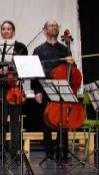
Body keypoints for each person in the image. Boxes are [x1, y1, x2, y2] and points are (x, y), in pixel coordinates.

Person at [31, 20, 74, 161]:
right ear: (45, 30)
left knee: (63, 121)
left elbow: (72, 71)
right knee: (47, 121)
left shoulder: (65, 49)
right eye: (50, 26)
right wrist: (37, 90)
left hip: (62, 88)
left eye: (56, 26)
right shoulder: (38, 50)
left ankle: (63, 150)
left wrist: (71, 63)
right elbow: (34, 72)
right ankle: (49, 151)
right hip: (44, 87)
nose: (53, 27)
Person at [0, 21, 28, 157]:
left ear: (13, 31)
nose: (6, 31)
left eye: (9, 29)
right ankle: (1, 148)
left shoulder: (21, 47)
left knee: (15, 119)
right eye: (3, 29)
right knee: (1, 119)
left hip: (15, 87)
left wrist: (11, 68)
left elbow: (25, 66)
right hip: (0, 85)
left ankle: (15, 150)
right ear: (1, 31)